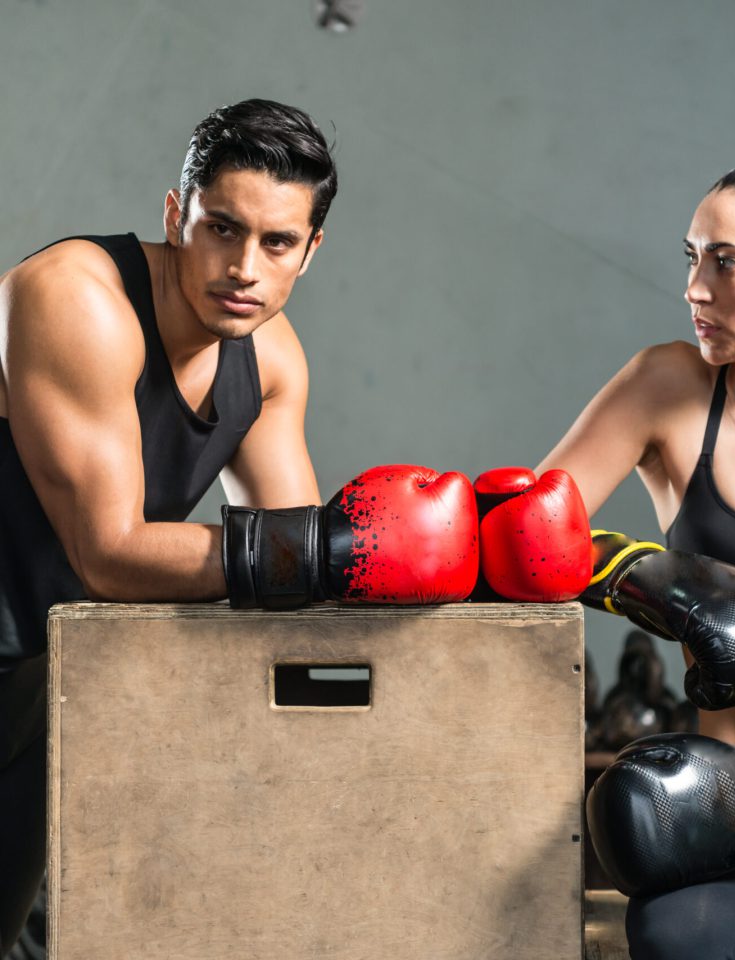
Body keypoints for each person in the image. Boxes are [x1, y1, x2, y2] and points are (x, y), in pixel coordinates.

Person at [0, 98, 483, 958]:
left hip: (47, 671)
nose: (243, 268)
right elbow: (110, 553)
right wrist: (342, 550)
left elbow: (293, 577)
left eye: (276, 243)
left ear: (311, 251)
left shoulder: (273, 357)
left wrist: (470, 563)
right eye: (222, 228)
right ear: (175, 214)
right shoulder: (75, 298)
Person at [536, 154, 735, 959]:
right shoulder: (667, 385)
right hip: (732, 824)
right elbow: (522, 535)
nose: (696, 287)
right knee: (670, 935)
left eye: (727, 261)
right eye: (691, 257)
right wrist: (648, 577)